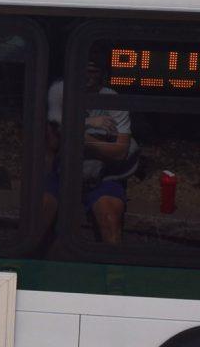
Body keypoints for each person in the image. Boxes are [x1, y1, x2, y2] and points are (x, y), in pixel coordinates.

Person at [42, 74, 136, 244]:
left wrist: (79, 136)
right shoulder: (59, 91)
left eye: (94, 69)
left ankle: (113, 269)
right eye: (85, 67)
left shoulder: (112, 99)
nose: (88, 74)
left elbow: (120, 151)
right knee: (41, 209)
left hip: (103, 175)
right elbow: (54, 140)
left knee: (109, 216)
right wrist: (86, 123)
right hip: (63, 172)